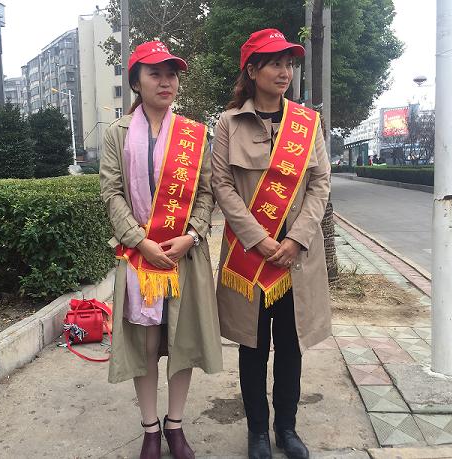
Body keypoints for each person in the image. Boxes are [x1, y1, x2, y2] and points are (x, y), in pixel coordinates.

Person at [211, 29, 332, 459]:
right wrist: (258, 239)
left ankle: (287, 428)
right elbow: (221, 184)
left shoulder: (307, 123)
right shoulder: (228, 124)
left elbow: (320, 183)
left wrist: (296, 239)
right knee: (253, 346)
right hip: (251, 256)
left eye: (289, 63)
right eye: (275, 63)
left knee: (291, 346)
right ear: (252, 70)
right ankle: (258, 432)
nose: (285, 72)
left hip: (296, 259)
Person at [100, 41, 223, 459]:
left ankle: (175, 425)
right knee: (147, 346)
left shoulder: (193, 134)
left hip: (183, 256)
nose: (166, 81)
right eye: (155, 73)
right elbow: (112, 192)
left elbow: (206, 192)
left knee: (182, 343)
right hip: (140, 258)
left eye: (172, 74)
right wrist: (139, 240)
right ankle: (150, 429)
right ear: (136, 81)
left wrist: (193, 234)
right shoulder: (117, 134)